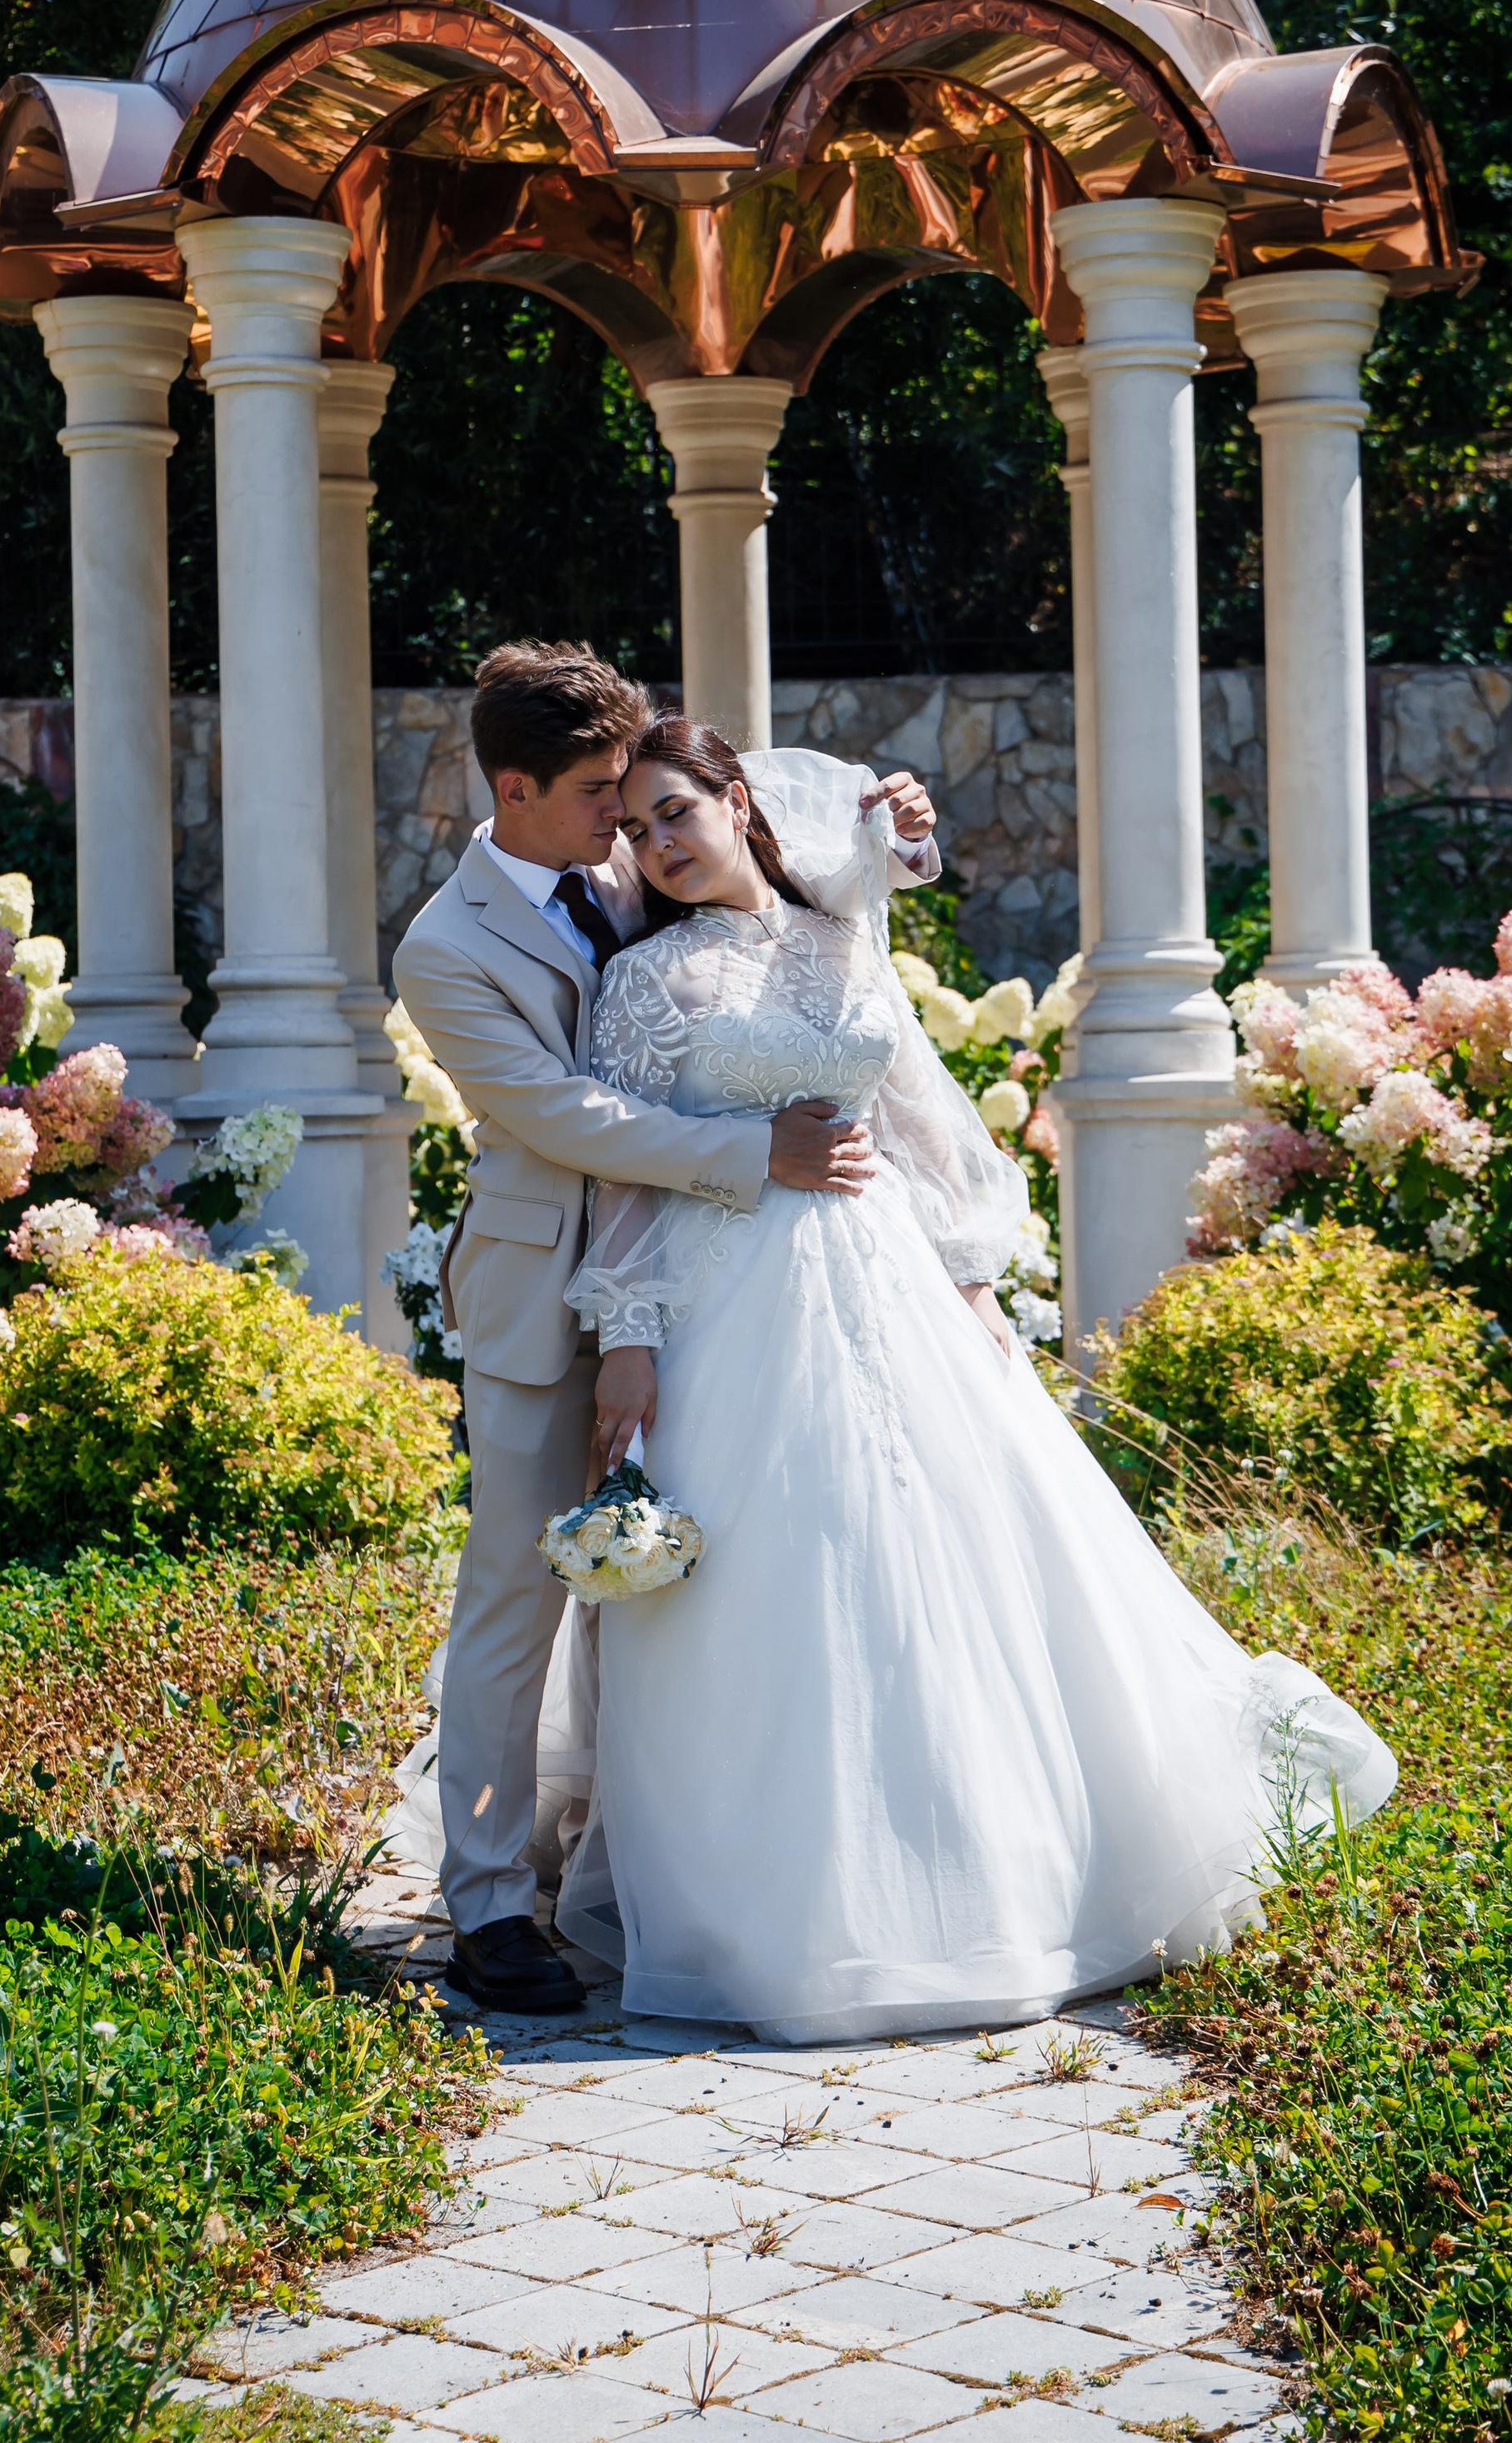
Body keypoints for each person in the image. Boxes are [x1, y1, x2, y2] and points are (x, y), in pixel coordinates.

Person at [548, 717, 1398, 2046]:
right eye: (639, 828)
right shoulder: (647, 982)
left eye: (678, 812)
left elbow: (916, 1122)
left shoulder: (844, 942)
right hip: (732, 1300)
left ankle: (1005, 1868)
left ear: (740, 804)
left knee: (955, 1554)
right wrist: (629, 1340)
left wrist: (972, 1283)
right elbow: (625, 1174)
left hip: (891, 1282)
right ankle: (778, 1915)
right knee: (783, 1575)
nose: (659, 844)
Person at [391, 642, 943, 2016]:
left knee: (686, 1581)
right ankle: (488, 1906)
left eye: (638, 801)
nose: (626, 817)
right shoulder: (446, 946)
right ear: (515, 791)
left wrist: (898, 839)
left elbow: (789, 901)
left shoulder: (631, 860)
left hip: (708, 1289)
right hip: (549, 1292)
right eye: (598, 794)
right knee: (520, 1594)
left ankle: (632, 1851)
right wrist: (762, 1154)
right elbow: (565, 1116)